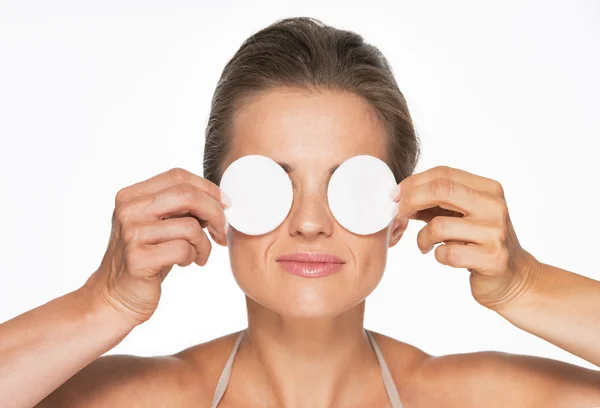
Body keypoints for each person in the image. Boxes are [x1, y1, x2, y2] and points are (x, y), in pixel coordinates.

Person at [1, 16, 599, 408]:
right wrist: (104, 302)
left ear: (398, 215)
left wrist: (525, 286)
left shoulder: (473, 400)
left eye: (352, 187)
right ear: (212, 206)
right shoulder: (145, 399)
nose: (310, 222)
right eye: (269, 185)